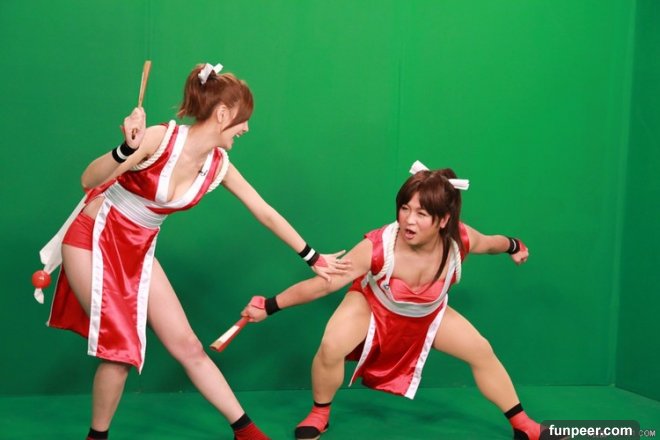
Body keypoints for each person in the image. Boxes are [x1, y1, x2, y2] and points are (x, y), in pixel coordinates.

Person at [43, 62, 349, 440]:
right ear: (222, 114)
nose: (246, 128)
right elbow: (88, 180)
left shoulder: (217, 165)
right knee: (119, 349)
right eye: (243, 119)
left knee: (188, 345)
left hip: (138, 250)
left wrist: (314, 258)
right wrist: (126, 149)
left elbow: (264, 212)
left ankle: (247, 432)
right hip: (92, 239)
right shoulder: (158, 139)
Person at [241, 164, 549, 440]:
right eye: (405, 208)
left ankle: (523, 425)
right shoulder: (378, 246)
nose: (408, 220)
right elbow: (325, 284)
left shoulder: (461, 240)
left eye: (421, 214)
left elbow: (492, 243)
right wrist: (269, 305)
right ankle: (319, 413)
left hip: (428, 315)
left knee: (481, 350)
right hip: (373, 307)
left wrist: (514, 246)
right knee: (332, 345)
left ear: (443, 220)